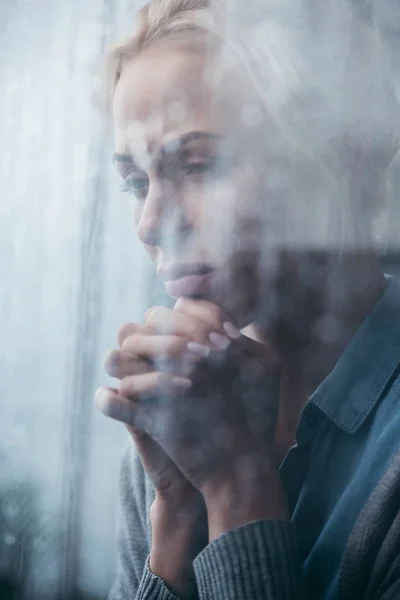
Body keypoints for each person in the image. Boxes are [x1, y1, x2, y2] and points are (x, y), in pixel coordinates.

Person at [95, 1, 400, 598]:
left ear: (345, 159)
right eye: (136, 182)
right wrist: (175, 527)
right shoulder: (182, 416)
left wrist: (236, 486)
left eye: (202, 165)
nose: (150, 223)